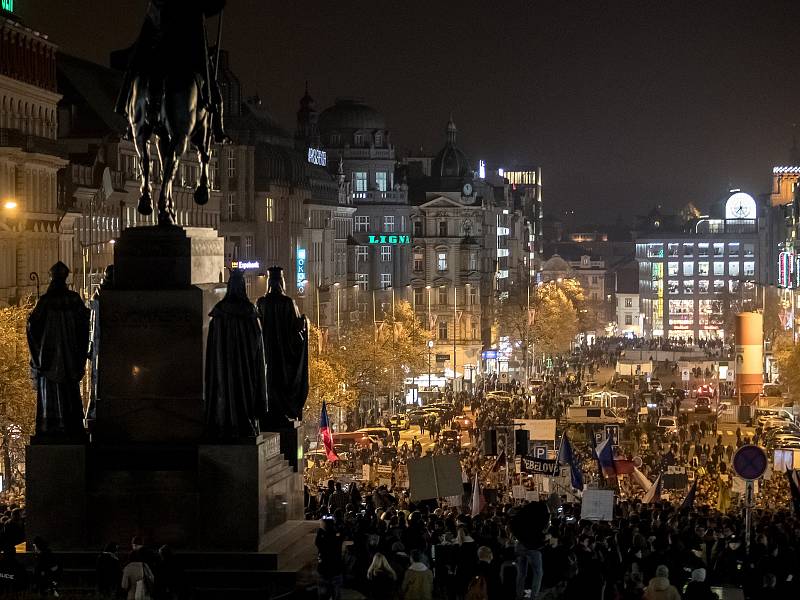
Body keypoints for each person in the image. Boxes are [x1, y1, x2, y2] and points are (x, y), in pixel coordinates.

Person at [26, 261, 90, 440]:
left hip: (49, 357)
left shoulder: (46, 301)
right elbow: (84, 324)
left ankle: (51, 426)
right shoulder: (74, 299)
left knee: (51, 397)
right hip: (69, 358)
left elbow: (32, 327)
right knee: (69, 393)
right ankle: (70, 425)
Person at [204, 268, 268, 439]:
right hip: (246, 369)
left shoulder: (219, 312)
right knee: (245, 394)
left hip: (223, 367)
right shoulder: (249, 312)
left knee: (225, 392)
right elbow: (257, 344)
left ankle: (224, 424)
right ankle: (245, 424)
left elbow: (212, 347)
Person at [257, 266, 309, 428]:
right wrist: (304, 321)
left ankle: (269, 410)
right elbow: (296, 327)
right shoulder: (287, 302)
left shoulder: (261, 302)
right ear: (281, 282)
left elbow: (256, 325)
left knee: (268, 380)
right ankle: (283, 410)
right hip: (284, 354)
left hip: (266, 353)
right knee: (283, 381)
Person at [316, 517, 344, 600]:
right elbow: (342, 534)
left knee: (323, 596)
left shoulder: (322, 537)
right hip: (336, 569)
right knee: (336, 595)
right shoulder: (337, 536)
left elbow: (317, 542)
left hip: (324, 570)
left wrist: (321, 530)